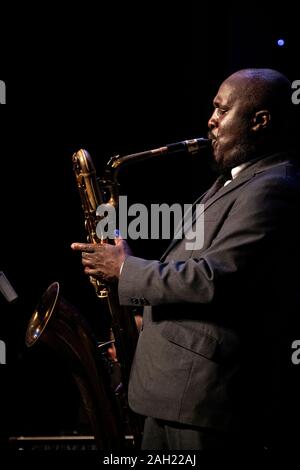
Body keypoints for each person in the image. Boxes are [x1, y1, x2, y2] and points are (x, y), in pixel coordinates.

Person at [71, 68, 300, 452]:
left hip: (201, 401)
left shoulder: (273, 187)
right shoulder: (231, 182)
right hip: (173, 394)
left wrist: (124, 268)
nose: (211, 120)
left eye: (221, 110)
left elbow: (214, 279)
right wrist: (145, 324)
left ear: (260, 121)